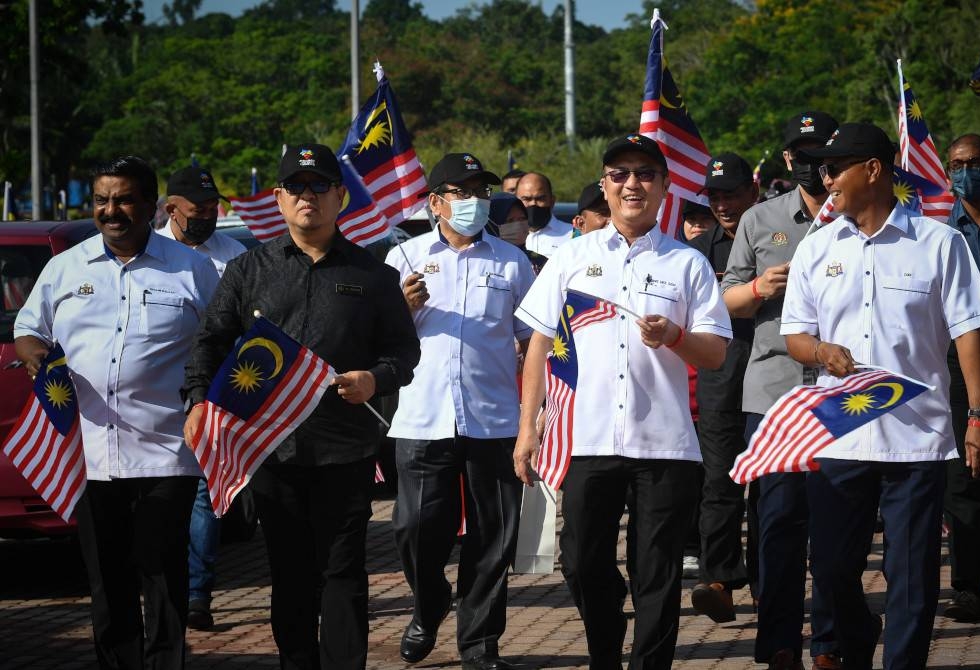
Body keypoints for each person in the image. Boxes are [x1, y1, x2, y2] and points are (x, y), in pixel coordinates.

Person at [182, 143, 420, 670]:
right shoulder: (249, 270)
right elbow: (211, 341)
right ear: (279, 197)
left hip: (345, 447)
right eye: (296, 187)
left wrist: (373, 378)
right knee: (289, 574)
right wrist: (198, 400)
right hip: (271, 450)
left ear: (340, 195)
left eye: (319, 186)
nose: (307, 196)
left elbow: (404, 352)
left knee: (342, 572)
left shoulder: (373, 273)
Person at [783, 122, 980, 669]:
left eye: (835, 167)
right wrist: (821, 351)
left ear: (873, 169)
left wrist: (979, 417)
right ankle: (856, 636)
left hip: (917, 442)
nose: (825, 177)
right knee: (830, 568)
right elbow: (795, 336)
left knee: (911, 578)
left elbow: (969, 333)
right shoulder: (817, 246)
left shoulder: (939, 243)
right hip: (841, 436)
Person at [514, 133, 731, 669]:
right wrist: (528, 428)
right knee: (581, 563)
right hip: (585, 439)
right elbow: (540, 344)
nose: (632, 184)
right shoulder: (571, 257)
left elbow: (715, 354)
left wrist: (675, 336)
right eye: (619, 174)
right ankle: (605, 651)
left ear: (663, 187)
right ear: (604, 187)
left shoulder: (688, 264)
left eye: (644, 174)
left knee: (656, 571)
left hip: (664, 444)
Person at [14, 156, 220, 670]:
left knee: (162, 568)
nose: (112, 210)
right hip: (86, 451)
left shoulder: (193, 269)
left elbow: (224, 343)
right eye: (103, 200)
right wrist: (38, 358)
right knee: (106, 574)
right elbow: (27, 330)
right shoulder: (66, 266)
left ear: (150, 205)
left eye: (124, 199)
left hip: (167, 449)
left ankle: (165, 661)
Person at [386, 153, 534, 670]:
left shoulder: (512, 262)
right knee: (415, 528)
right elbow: (379, 343)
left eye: (482, 192)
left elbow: (532, 339)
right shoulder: (401, 259)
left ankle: (479, 643)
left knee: (493, 539)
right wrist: (401, 312)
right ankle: (428, 605)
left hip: (493, 419)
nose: (474, 202)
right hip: (423, 419)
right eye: (462, 192)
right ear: (435, 202)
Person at [720, 110, 840, 670]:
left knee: (841, 527)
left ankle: (833, 642)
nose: (812, 164)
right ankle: (780, 644)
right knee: (778, 525)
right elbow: (722, 302)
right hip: (774, 393)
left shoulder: (860, 218)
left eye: (822, 154)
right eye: (801, 154)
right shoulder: (759, 219)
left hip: (845, 395)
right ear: (788, 159)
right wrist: (759, 287)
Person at [157, 165, 247, 631]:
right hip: (152, 397)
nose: (209, 216)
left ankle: (197, 593)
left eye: (214, 208)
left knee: (201, 493)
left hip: (211, 392)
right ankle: (159, 587)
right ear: (171, 209)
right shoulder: (150, 251)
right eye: (199, 209)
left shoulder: (233, 256)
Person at [686, 152, 758, 623]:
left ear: (752, 190)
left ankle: (774, 578)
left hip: (774, 372)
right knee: (719, 482)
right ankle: (720, 579)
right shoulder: (694, 252)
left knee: (775, 485)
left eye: (731, 193)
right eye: (715, 196)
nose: (723, 204)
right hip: (719, 379)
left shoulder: (780, 234)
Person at [941, 133, 980, 622]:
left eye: (975, 162)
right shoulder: (942, 233)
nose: (966, 172)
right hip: (962, 356)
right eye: (957, 164)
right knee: (965, 473)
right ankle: (967, 585)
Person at [515, 171, 574, 257]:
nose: (533, 204)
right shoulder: (505, 237)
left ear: (552, 201)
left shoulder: (573, 235)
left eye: (540, 199)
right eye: (527, 199)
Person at [488, 192, 548, 274]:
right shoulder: (483, 260)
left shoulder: (540, 262)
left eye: (522, 218)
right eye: (510, 220)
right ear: (493, 224)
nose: (518, 225)